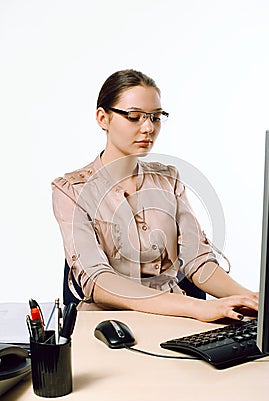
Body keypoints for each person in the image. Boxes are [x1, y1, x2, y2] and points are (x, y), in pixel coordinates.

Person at [51, 69, 258, 322]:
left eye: (156, 117)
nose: (148, 128)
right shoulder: (71, 190)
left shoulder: (168, 180)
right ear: (103, 118)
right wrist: (195, 307)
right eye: (134, 117)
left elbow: (197, 261)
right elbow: (99, 281)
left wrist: (254, 301)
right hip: (109, 326)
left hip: (174, 320)